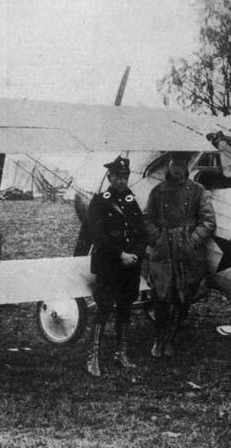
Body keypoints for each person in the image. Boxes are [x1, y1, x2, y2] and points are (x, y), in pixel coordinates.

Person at [143, 152, 215, 358]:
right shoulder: (157, 192)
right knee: (160, 294)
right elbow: (147, 219)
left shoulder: (198, 192)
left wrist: (192, 241)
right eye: (174, 164)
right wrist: (157, 239)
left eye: (181, 164)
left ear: (186, 167)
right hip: (164, 250)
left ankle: (171, 339)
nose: (177, 168)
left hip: (186, 251)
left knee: (184, 295)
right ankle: (159, 340)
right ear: (168, 165)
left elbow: (208, 221)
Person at [84, 156, 147, 376]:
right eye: (118, 177)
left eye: (125, 177)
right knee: (103, 309)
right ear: (109, 177)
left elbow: (142, 232)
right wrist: (120, 255)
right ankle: (93, 358)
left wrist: (136, 255)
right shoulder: (100, 201)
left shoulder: (131, 200)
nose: (122, 180)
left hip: (130, 265)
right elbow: (97, 236)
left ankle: (121, 354)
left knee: (125, 308)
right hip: (109, 264)